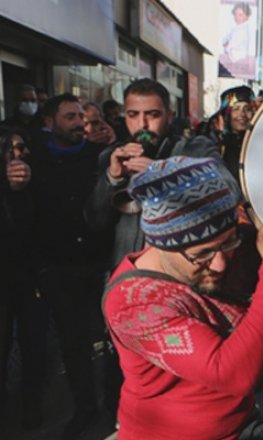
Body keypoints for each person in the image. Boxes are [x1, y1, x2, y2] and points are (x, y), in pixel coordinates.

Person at [102, 156, 263, 439]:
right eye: (201, 254)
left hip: (241, 423)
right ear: (159, 243)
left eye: (228, 242)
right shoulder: (131, 302)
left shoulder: (231, 244)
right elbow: (231, 374)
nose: (220, 264)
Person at [8, 94, 116, 437]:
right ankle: (85, 408)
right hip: (59, 269)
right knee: (73, 344)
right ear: (50, 122)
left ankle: (118, 406)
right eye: (70, 116)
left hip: (101, 263)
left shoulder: (98, 155)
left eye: (81, 116)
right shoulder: (33, 157)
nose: (79, 123)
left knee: (114, 340)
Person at [85, 78, 224, 269]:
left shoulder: (196, 149)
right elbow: (95, 222)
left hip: (180, 273)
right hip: (127, 273)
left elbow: (229, 192)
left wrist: (166, 175)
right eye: (133, 115)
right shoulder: (110, 155)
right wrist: (112, 178)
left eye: (153, 115)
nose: (142, 124)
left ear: (169, 116)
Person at [0, 127, 49, 430]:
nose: (18, 156)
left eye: (22, 148)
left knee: (35, 348)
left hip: (33, 280)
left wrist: (25, 191)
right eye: (10, 150)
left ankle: (32, 407)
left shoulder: (37, 183)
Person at [200, 85, 256, 181]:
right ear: (226, 114)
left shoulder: (258, 142)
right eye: (236, 109)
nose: (242, 114)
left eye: (247, 109)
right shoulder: (214, 145)